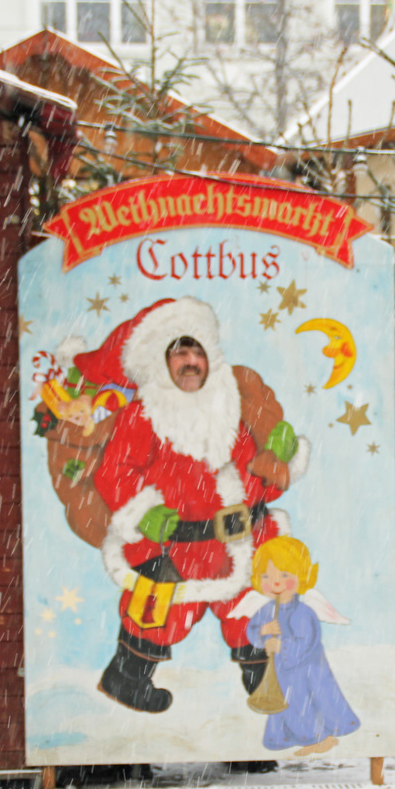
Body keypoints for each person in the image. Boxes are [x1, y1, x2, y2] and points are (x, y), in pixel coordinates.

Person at [82, 297, 309, 713]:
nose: (190, 362)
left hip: (232, 542)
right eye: (180, 353)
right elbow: (113, 472)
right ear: (162, 362)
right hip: (176, 543)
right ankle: (127, 680)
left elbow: (247, 482)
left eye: (197, 352)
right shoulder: (141, 416)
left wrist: (275, 462)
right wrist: (143, 513)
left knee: (252, 608)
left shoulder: (229, 412)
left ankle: (266, 689)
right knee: (155, 609)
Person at [245, 536, 360, 756]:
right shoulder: (267, 610)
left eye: (284, 575)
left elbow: (307, 641)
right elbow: (253, 630)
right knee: (284, 703)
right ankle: (287, 737)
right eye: (267, 576)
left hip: (305, 671)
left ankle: (318, 738)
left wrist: (282, 646)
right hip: (281, 671)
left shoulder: (303, 613)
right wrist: (263, 633)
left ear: (301, 576)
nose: (275, 582)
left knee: (303, 702)